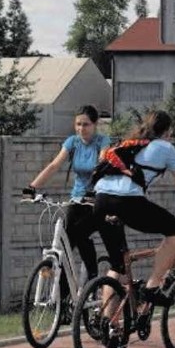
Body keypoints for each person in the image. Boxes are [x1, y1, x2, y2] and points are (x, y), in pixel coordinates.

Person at [92, 109, 175, 307]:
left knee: (117, 265)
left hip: (100, 201)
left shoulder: (128, 144)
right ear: (168, 132)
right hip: (128, 202)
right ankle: (152, 287)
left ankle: (109, 325)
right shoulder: (165, 148)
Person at [24, 105, 120, 301]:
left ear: (95, 125)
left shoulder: (103, 142)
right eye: (78, 124)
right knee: (66, 243)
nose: (81, 128)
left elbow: (101, 164)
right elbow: (54, 165)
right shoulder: (73, 142)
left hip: (96, 199)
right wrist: (32, 187)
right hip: (77, 198)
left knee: (81, 234)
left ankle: (92, 278)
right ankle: (65, 296)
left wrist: (93, 190)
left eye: (86, 124)